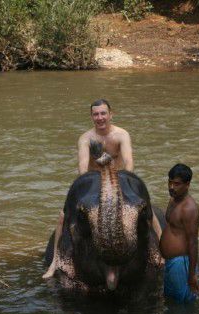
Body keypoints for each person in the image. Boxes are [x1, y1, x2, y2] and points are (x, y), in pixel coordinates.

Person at [43, 99, 144, 278]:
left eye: (103, 113)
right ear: (91, 117)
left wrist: (124, 184)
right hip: (93, 186)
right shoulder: (86, 138)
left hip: (119, 183)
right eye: (96, 114)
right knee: (62, 217)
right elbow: (83, 168)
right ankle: (55, 262)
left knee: (146, 212)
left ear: (111, 114)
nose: (100, 118)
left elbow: (128, 162)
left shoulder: (121, 135)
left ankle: (158, 252)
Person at [160, 163, 199, 303]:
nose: (172, 187)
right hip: (170, 262)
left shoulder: (189, 209)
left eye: (177, 184)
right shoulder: (173, 199)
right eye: (170, 183)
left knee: (182, 306)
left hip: (181, 263)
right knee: (170, 302)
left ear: (187, 184)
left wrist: (191, 275)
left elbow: (193, 243)